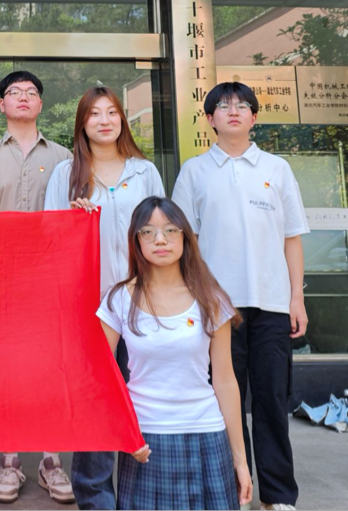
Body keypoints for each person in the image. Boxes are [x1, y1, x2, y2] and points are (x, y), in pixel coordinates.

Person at [172, 82, 309, 511]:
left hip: (271, 304)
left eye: (243, 105)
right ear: (209, 118)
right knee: (224, 404)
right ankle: (234, 488)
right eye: (224, 106)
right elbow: (185, 241)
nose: (233, 111)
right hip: (216, 308)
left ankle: (278, 495)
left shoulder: (277, 168)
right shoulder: (194, 171)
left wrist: (297, 298)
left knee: (271, 400)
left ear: (254, 117)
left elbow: (291, 238)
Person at [43, 86, 165, 510]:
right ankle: (95, 497)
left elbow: (164, 234)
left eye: (111, 112)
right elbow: (50, 240)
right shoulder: (66, 174)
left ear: (122, 119)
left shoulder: (144, 171)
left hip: (142, 301)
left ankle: (139, 490)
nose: (104, 121)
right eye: (94, 114)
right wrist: (72, 222)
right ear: (82, 123)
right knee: (95, 401)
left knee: (141, 395)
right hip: (89, 307)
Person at [0, 70, 74, 505]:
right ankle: (9, 460)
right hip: (2, 281)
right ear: (2, 105)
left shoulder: (66, 157)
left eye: (31, 93)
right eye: (14, 92)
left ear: (41, 104)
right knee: (6, 370)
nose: (23, 98)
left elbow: (72, 220)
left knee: (50, 369)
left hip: (53, 282)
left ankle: (51, 461)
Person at [99, 196, 251, 511]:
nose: (160, 240)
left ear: (185, 237)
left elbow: (225, 381)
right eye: (148, 232)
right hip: (145, 441)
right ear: (136, 240)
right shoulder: (119, 299)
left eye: (170, 230)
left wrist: (241, 460)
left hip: (206, 434)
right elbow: (100, 377)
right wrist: (124, 433)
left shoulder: (211, 299)